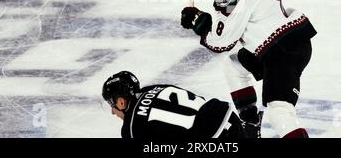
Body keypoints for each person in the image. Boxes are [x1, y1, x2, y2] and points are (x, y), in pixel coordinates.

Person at [180, 0, 317, 138]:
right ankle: (250, 125)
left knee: (280, 112)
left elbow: (221, 43)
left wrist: (199, 23)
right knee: (234, 65)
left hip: (284, 53)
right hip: (278, 43)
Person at [102, 70, 247, 139]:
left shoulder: (131, 128)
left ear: (121, 102)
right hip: (228, 118)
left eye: (112, 105)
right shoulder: (153, 88)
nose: (113, 112)